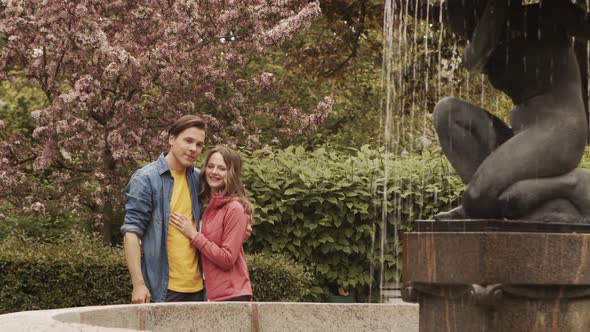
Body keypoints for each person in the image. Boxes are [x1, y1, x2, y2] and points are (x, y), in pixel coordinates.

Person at [433, 0, 590, 221]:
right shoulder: (488, 40)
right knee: (447, 113)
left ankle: (572, 183)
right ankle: (490, 204)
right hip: (524, 137)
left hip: (560, 131)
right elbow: (473, 60)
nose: (453, 22)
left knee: (478, 196)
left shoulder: (550, 12)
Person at [121, 115, 251, 303]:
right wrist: (138, 284)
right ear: (171, 139)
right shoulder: (146, 179)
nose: (193, 149)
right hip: (163, 288)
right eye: (188, 141)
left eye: (199, 145)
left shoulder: (200, 180)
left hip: (201, 289)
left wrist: (241, 231)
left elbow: (223, 212)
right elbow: (131, 232)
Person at [169, 146, 253, 301]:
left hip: (230, 295)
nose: (214, 172)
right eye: (210, 166)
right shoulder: (206, 204)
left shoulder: (234, 208)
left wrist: (194, 235)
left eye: (222, 168)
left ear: (232, 173)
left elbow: (227, 259)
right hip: (206, 291)